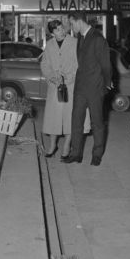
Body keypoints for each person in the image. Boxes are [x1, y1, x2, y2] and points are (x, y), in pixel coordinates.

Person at [63, 11, 112, 166]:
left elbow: (106, 65)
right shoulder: (80, 38)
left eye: (71, 23)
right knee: (76, 120)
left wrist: (107, 84)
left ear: (79, 21)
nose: (71, 27)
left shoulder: (98, 38)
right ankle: (76, 153)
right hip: (80, 86)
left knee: (97, 122)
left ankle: (97, 154)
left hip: (95, 87)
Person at [40, 19, 90, 159]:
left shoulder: (74, 43)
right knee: (53, 118)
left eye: (62, 28)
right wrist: (51, 76)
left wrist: (69, 77)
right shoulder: (49, 45)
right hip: (55, 86)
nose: (61, 31)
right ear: (52, 33)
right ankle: (52, 145)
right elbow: (44, 64)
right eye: (57, 30)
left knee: (69, 117)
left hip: (71, 85)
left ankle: (67, 145)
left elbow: (79, 64)